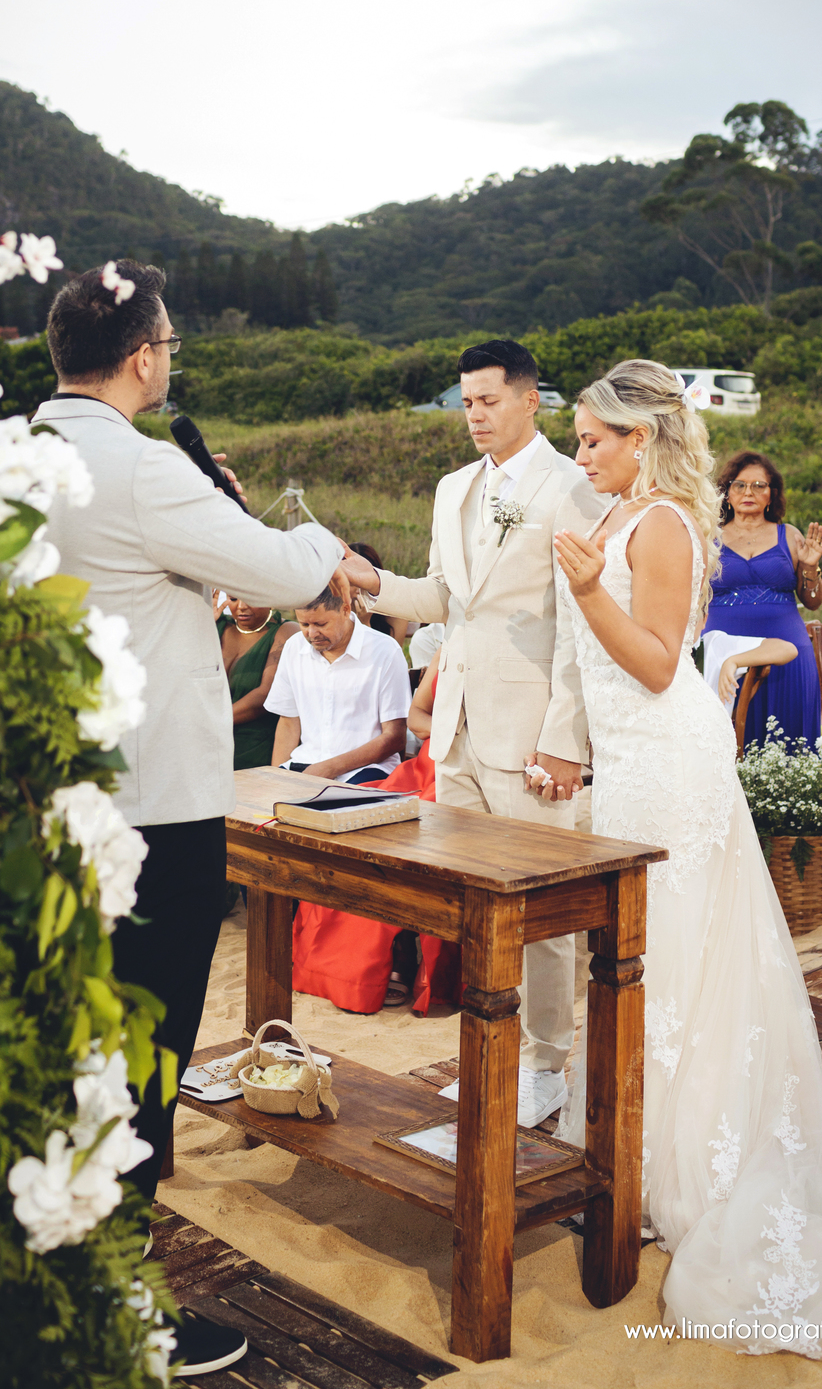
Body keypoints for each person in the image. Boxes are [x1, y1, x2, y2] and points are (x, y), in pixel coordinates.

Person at [549, 358, 822, 1359]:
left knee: (680, 957)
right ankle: (626, 1155)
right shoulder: (607, 519)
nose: (582, 453)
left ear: (641, 439)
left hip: (670, 763)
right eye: (578, 440)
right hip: (627, 769)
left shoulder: (664, 526)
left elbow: (652, 663)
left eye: (595, 439)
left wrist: (591, 592)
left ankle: (682, 1168)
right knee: (636, 959)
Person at [35, 261, 344, 1379]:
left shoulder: (20, 454)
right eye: (168, 343)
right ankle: (119, 1301)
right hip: (152, 810)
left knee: (60, 1041)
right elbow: (284, 566)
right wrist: (301, 539)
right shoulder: (142, 466)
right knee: (142, 1048)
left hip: (44, 801)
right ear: (146, 357)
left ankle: (45, 1265)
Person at [340, 338, 602, 1127]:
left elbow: (581, 629)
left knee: (541, 913)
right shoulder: (454, 486)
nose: (475, 415)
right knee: (474, 909)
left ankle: (548, 1064)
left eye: (488, 400)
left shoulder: (571, 485)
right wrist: (371, 579)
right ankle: (494, 1053)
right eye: (466, 402)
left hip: (532, 737)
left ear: (530, 400)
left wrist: (566, 738)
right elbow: (445, 597)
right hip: (453, 730)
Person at [291, 657, 461, 1014]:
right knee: (358, 828)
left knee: (411, 837)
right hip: (426, 764)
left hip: (462, 773)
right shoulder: (450, 643)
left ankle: (394, 955)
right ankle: (367, 964)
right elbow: (416, 717)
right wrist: (455, 728)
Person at [701, 449, 822, 748]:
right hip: (723, 651)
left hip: (788, 651)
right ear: (726, 494)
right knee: (725, 743)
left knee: (790, 741)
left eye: (759, 485)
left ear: (772, 495)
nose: (749, 492)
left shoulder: (790, 535)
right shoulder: (709, 538)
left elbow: (813, 601)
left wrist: (809, 567)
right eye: (739, 484)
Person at [267, 584, 411, 783]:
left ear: (345, 610)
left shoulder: (385, 651)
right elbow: (288, 722)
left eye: (321, 624)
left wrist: (329, 768)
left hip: (367, 770)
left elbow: (395, 737)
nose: (312, 634)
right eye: (304, 625)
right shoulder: (294, 647)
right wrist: (277, 781)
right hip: (305, 764)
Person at [216, 594, 298, 768]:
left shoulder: (286, 630)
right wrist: (201, 627)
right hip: (206, 741)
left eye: (251, 598)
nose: (241, 606)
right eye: (233, 599)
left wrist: (211, 721)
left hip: (254, 747)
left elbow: (265, 694)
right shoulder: (216, 625)